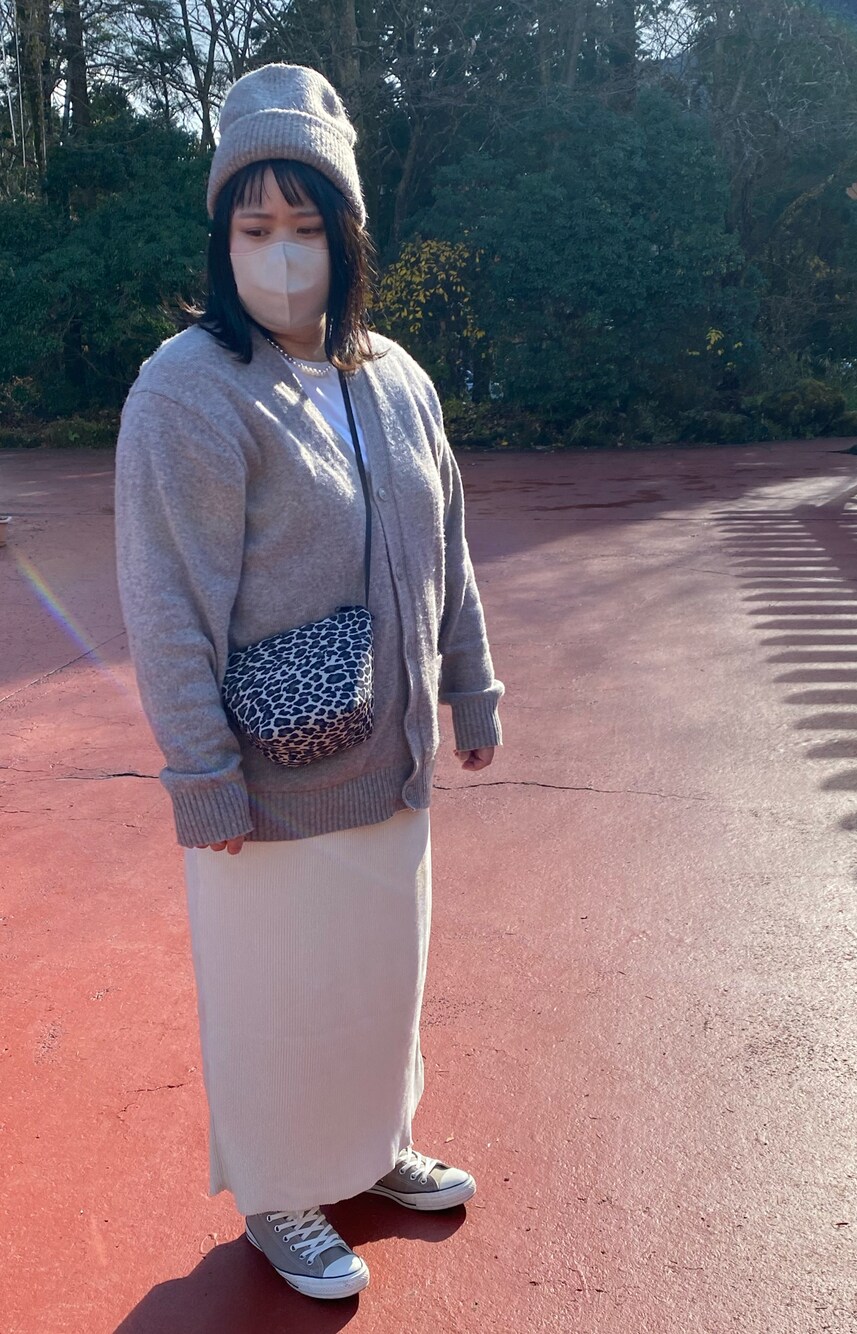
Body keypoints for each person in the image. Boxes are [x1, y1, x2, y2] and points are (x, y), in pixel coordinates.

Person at [114, 62, 503, 1302]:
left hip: (391, 755)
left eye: (305, 225)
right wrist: (202, 772)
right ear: (220, 239)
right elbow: (167, 598)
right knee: (277, 993)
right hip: (269, 771)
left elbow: (446, 541)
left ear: (348, 235)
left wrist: (471, 684)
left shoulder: (395, 376)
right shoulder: (188, 388)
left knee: (379, 977)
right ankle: (281, 1187)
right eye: (253, 227)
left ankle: (371, 1145)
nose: (280, 255)